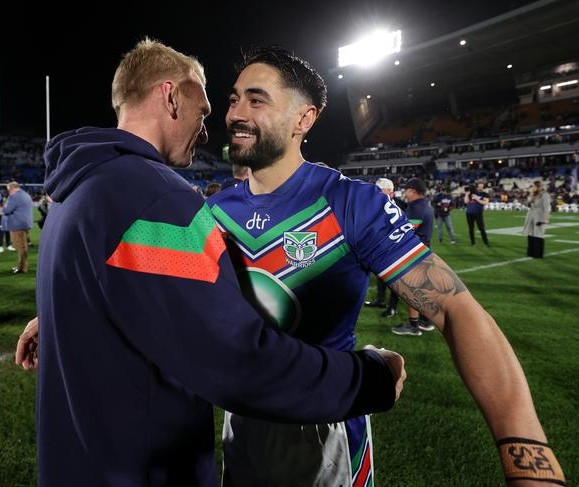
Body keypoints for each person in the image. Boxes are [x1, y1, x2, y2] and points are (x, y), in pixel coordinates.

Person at [15, 38, 406, 487]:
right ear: (169, 96)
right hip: (143, 468)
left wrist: (60, 318)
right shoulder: (156, 195)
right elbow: (236, 360)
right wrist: (368, 378)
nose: (207, 132)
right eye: (202, 112)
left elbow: (107, 286)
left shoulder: (75, 185)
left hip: (74, 462)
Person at [207, 46, 563, 486]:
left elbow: (455, 310)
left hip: (326, 429)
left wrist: (527, 454)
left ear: (304, 119)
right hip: (242, 424)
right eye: (233, 98)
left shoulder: (351, 203)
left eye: (256, 99)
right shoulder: (212, 212)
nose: (236, 112)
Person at [391, 178, 435, 337]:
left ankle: (413, 325)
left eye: (407, 190)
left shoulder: (417, 208)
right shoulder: (423, 205)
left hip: (414, 253)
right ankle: (425, 321)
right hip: (423, 250)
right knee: (422, 290)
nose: (405, 192)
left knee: (413, 291)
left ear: (413, 191)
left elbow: (407, 231)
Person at [364, 177, 395, 309]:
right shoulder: (376, 206)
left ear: (391, 192)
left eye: (381, 190)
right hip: (377, 248)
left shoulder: (396, 207)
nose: (378, 193)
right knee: (380, 278)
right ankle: (380, 300)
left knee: (395, 281)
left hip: (392, 248)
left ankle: (393, 307)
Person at [0, 181, 33, 274]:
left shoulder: (14, 196)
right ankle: (23, 265)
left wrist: (0, 209)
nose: (8, 191)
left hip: (17, 225)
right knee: (23, 246)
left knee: (20, 247)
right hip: (25, 224)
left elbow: (7, 210)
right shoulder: (25, 194)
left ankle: (22, 268)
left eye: (8, 189)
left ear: (11, 188)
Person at [522, 180, 551, 258]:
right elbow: (528, 204)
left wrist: (546, 219)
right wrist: (528, 199)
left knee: (538, 234)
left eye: (534, 186)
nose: (532, 188)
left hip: (539, 216)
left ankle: (538, 254)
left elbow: (546, 208)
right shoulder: (532, 194)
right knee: (530, 234)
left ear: (538, 187)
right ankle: (530, 252)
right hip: (531, 215)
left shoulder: (545, 195)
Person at [464, 181, 490, 246]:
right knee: (471, 229)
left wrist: (477, 198)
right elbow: (466, 202)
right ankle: (472, 243)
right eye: (479, 186)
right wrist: (467, 194)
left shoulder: (484, 194)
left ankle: (486, 242)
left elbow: (486, 202)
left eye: (482, 186)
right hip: (469, 212)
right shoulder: (471, 193)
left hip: (478, 213)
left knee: (481, 228)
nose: (480, 188)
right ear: (477, 186)